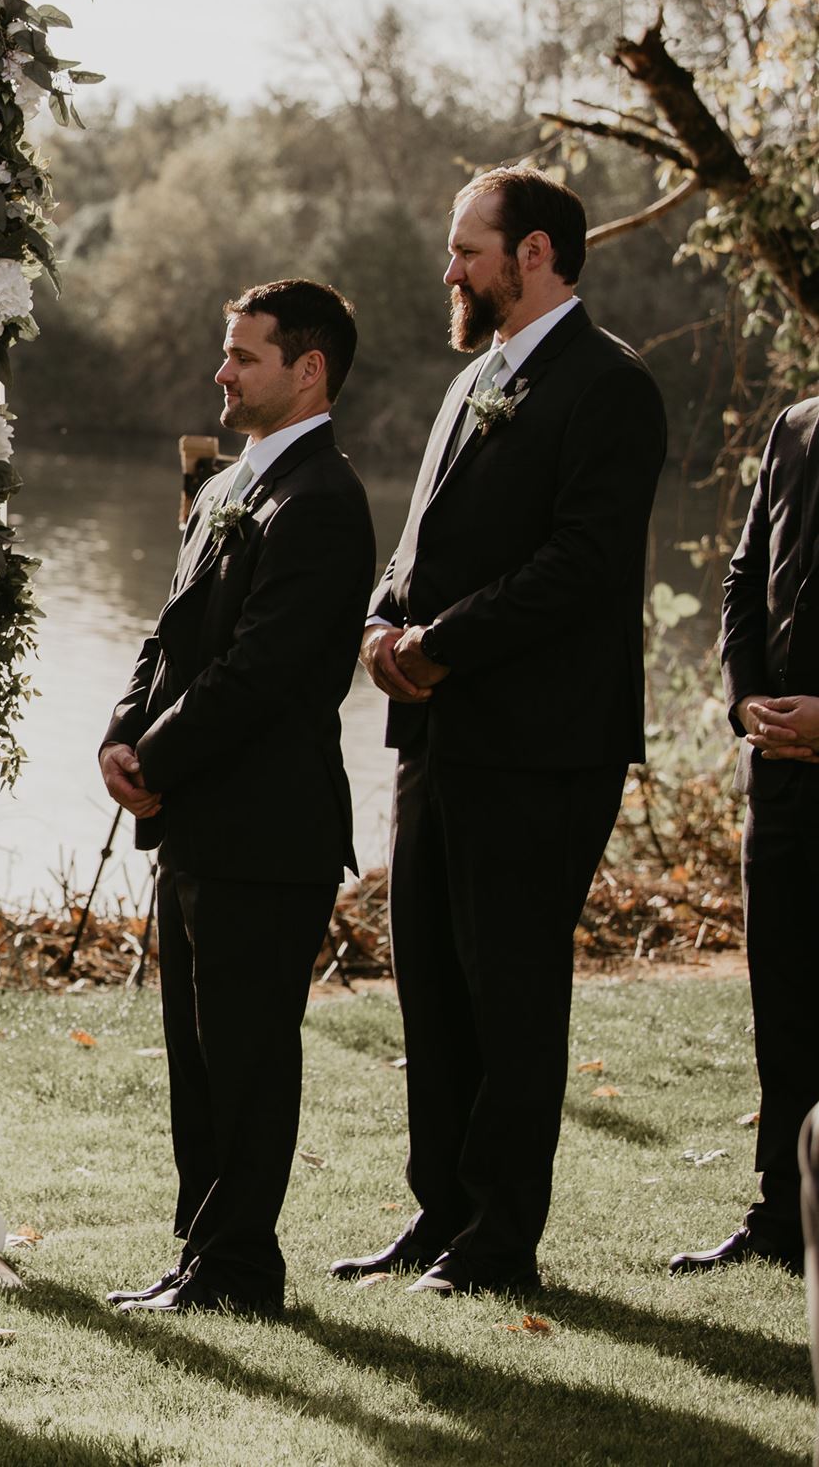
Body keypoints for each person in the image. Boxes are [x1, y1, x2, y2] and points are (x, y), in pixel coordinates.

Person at [337, 168, 666, 1297]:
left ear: (531, 252)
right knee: (429, 982)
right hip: (434, 739)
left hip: (538, 745)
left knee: (510, 990)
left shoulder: (608, 387)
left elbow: (577, 565)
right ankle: (436, 1214)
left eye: (465, 250)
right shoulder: (470, 382)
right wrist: (383, 623)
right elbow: (414, 544)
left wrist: (437, 644)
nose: (449, 271)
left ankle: (499, 1238)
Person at [99, 280, 373, 1317]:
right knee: (196, 1058)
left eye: (242, 356)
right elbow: (163, 634)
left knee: (248, 1059)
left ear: (306, 370)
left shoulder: (321, 503)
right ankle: (199, 1255)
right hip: (194, 824)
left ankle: (241, 1270)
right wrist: (121, 733)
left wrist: (154, 762)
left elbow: (260, 676)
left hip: (268, 829)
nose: (221, 372)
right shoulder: (224, 488)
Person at [676, 394, 819, 1274]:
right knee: (787, 1003)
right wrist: (742, 699)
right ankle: (784, 1217)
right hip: (781, 779)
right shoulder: (796, 424)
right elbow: (742, 576)